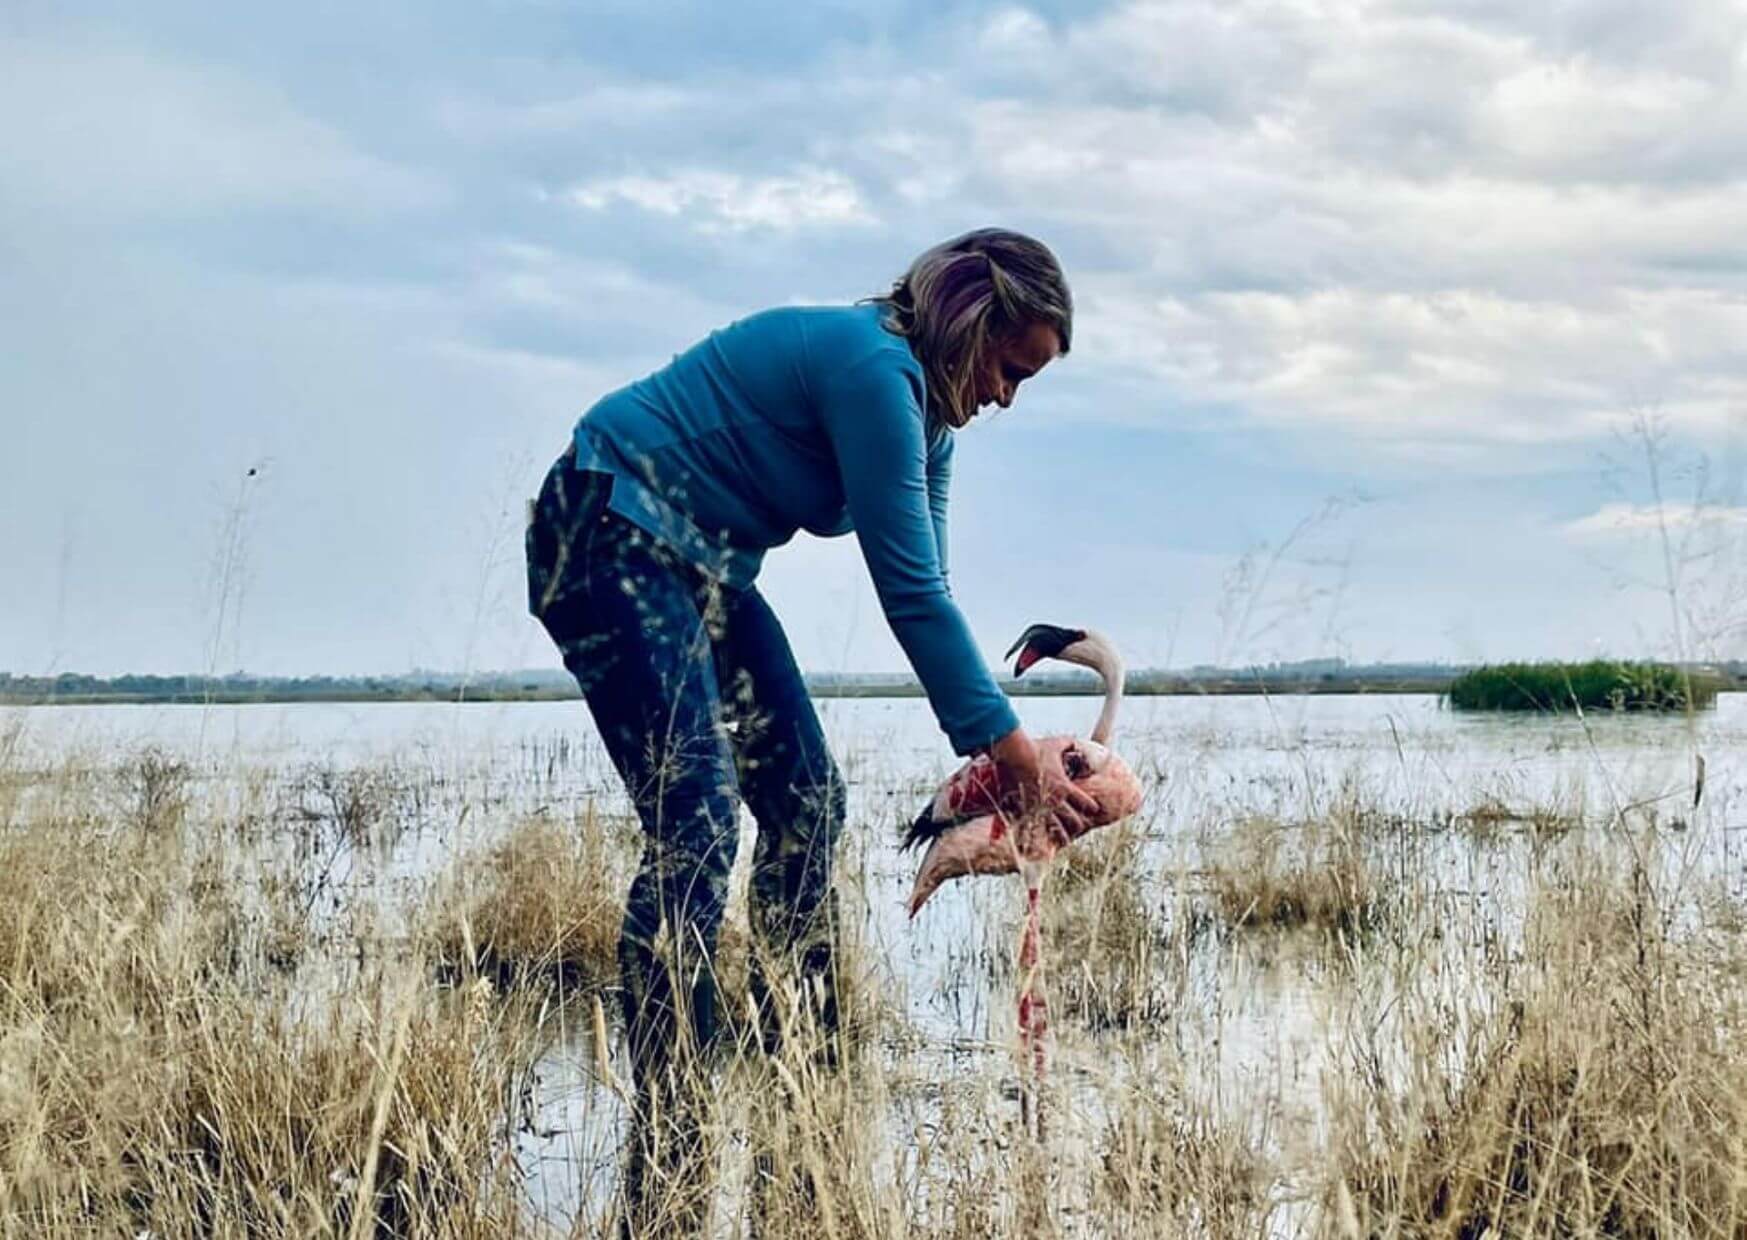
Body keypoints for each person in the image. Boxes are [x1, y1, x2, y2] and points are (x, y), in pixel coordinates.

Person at [524, 227, 1097, 1230]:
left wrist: (987, 737)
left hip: (702, 562)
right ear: (968, 320)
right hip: (604, 524)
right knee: (695, 816)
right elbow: (909, 591)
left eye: (1026, 382)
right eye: (1009, 369)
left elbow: (932, 589)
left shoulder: (931, 430)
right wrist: (1008, 749)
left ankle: (806, 1060)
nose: (1007, 397)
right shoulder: (872, 367)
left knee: (806, 802)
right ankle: (677, 1111)